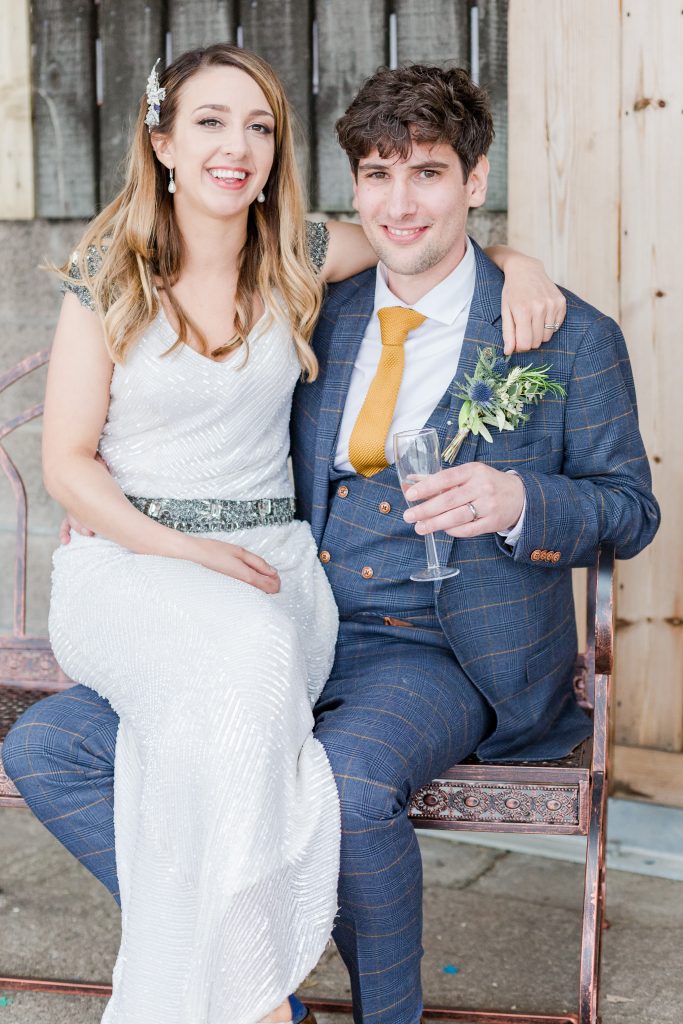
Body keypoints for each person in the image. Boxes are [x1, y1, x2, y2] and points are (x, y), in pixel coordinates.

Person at [4, 52, 587, 1024]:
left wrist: (518, 265)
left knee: (215, 708)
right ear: (162, 143)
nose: (236, 147)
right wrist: (175, 549)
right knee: (231, 678)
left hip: (270, 572)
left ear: (276, 151)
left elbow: (426, 245)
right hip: (132, 566)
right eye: (208, 124)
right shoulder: (108, 275)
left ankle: (249, 991)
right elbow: (67, 466)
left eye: (259, 127)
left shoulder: (298, 255)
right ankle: (260, 999)